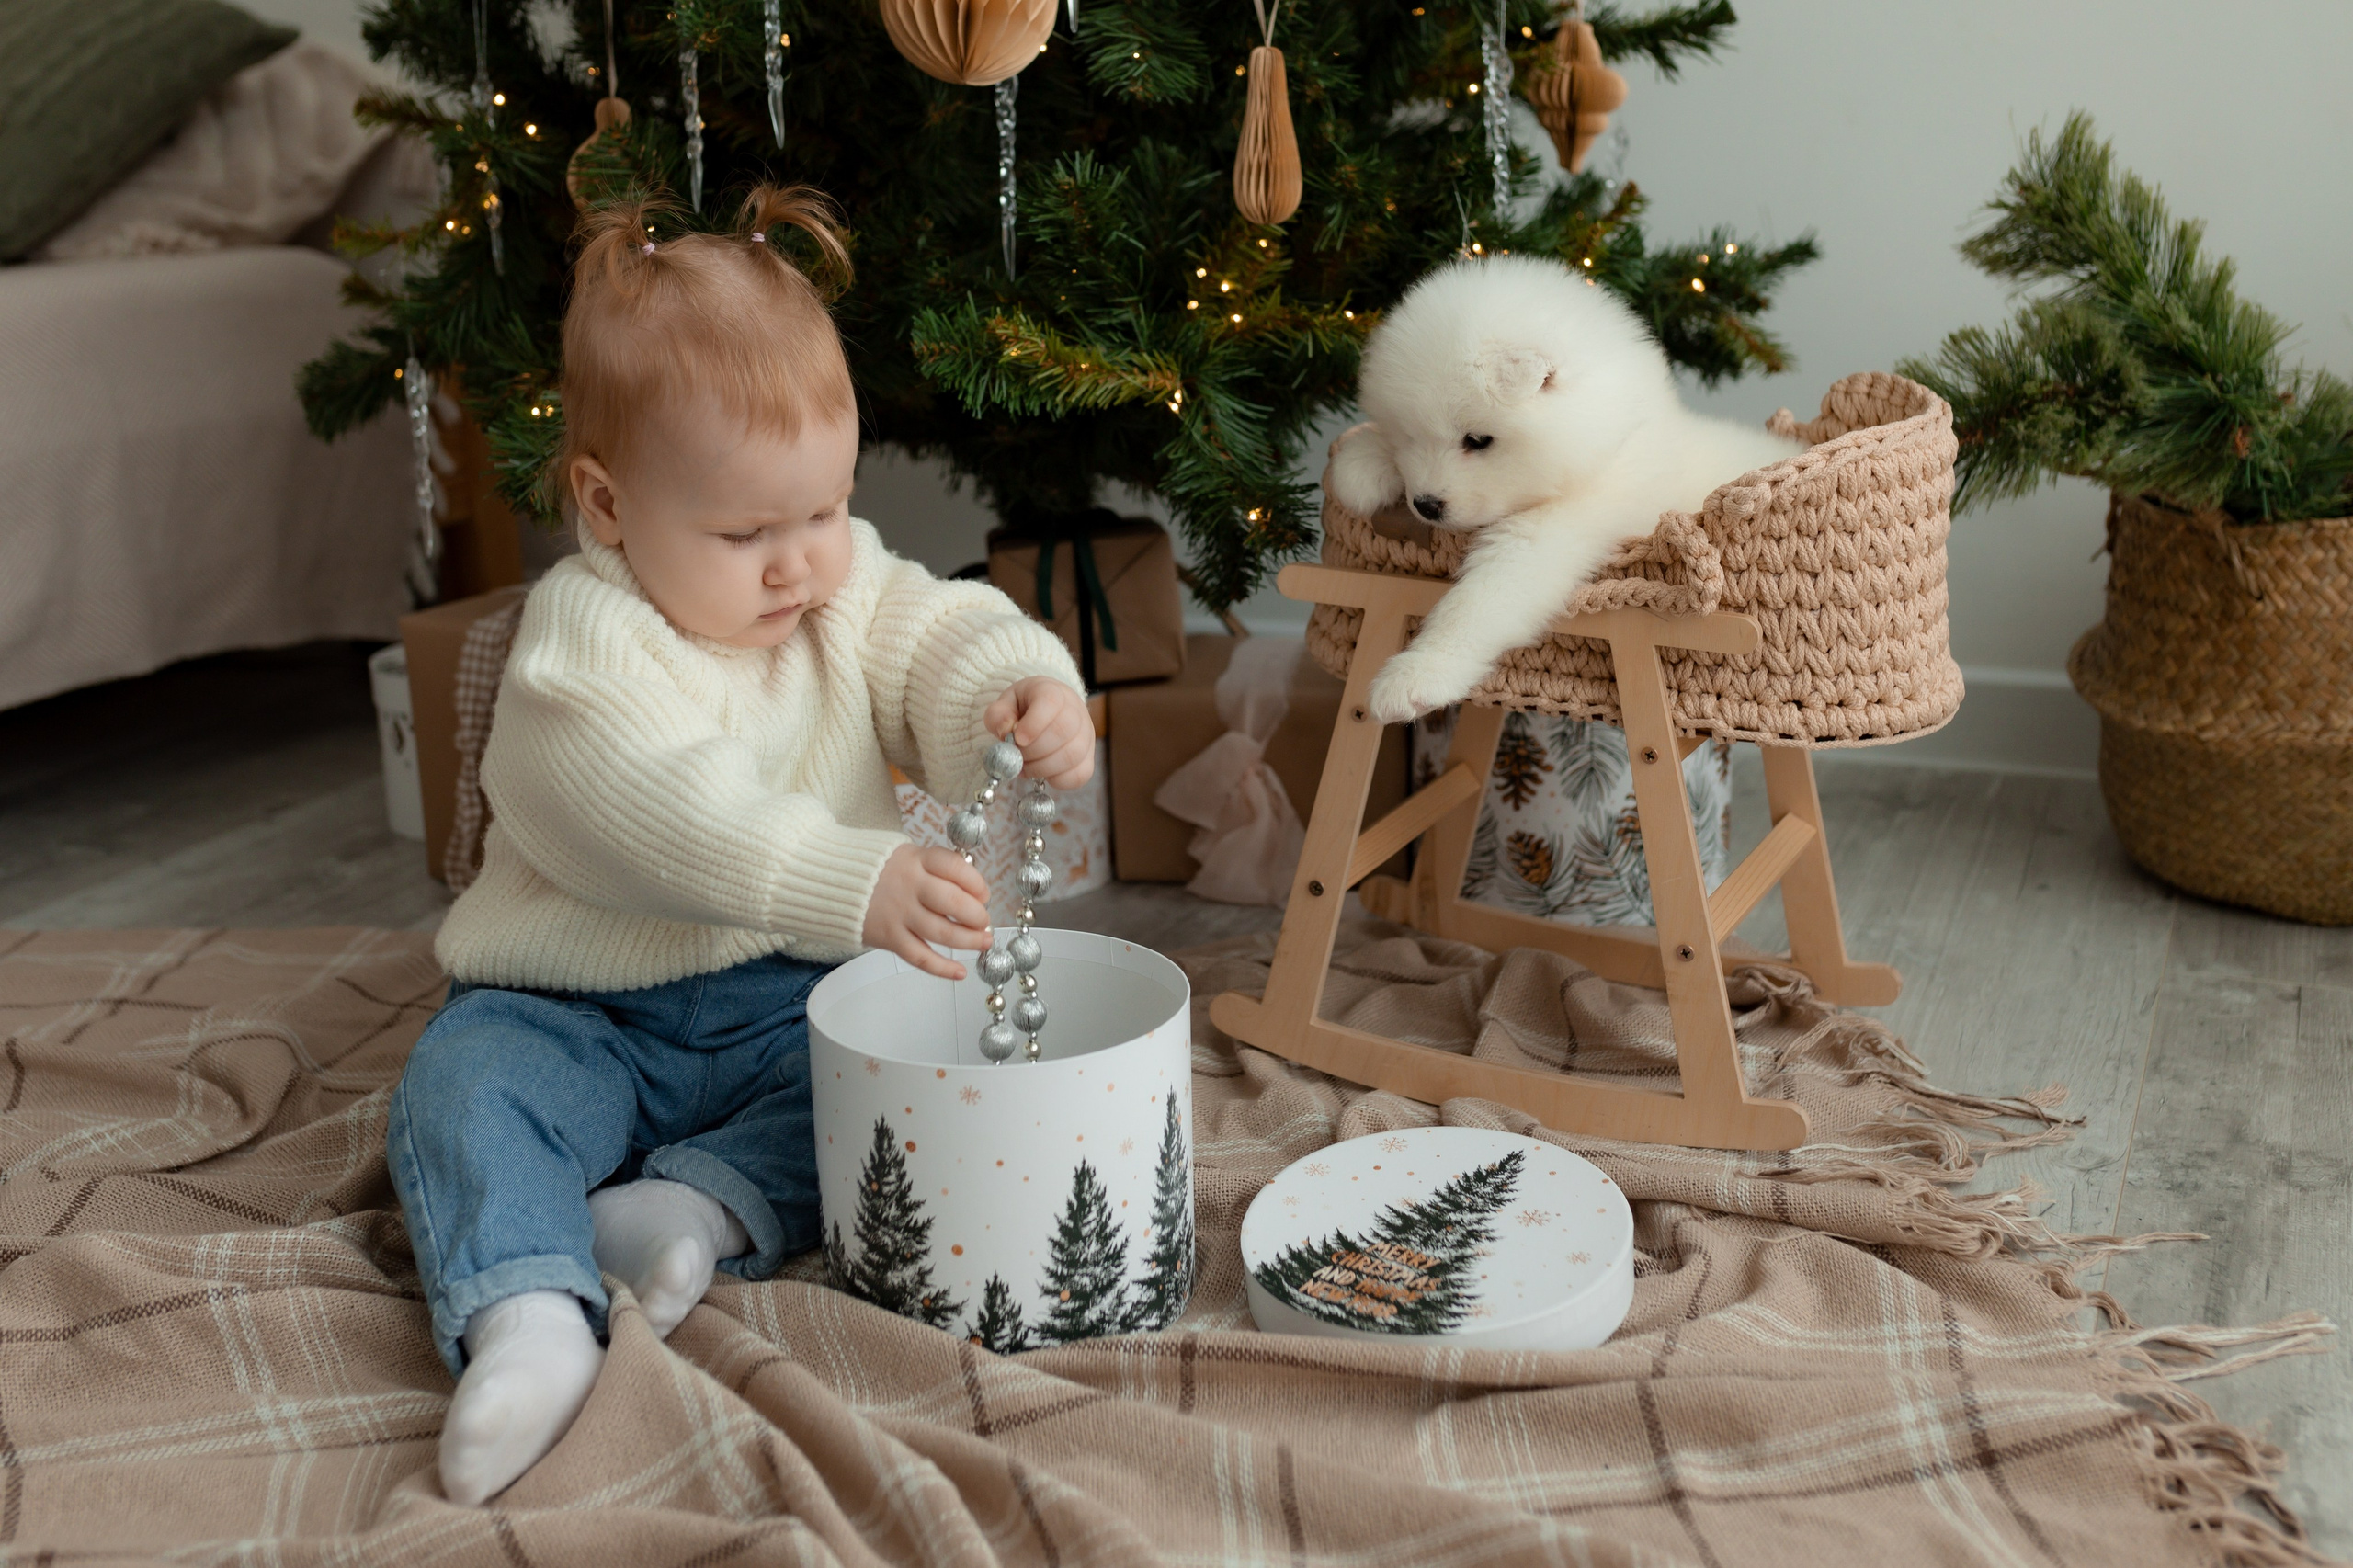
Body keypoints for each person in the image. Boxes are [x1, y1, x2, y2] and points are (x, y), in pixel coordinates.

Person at [386, 185, 1092, 1506]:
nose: (801, 567)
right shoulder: (581, 637)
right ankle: (526, 1314)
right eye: (746, 532)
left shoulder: (838, 583)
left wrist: (1017, 687)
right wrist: (847, 874)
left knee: (882, 1100)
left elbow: (933, 633)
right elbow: (648, 802)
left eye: (825, 508)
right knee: (462, 1090)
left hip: (783, 1000)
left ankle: (689, 1209)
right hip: (580, 1004)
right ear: (607, 504)